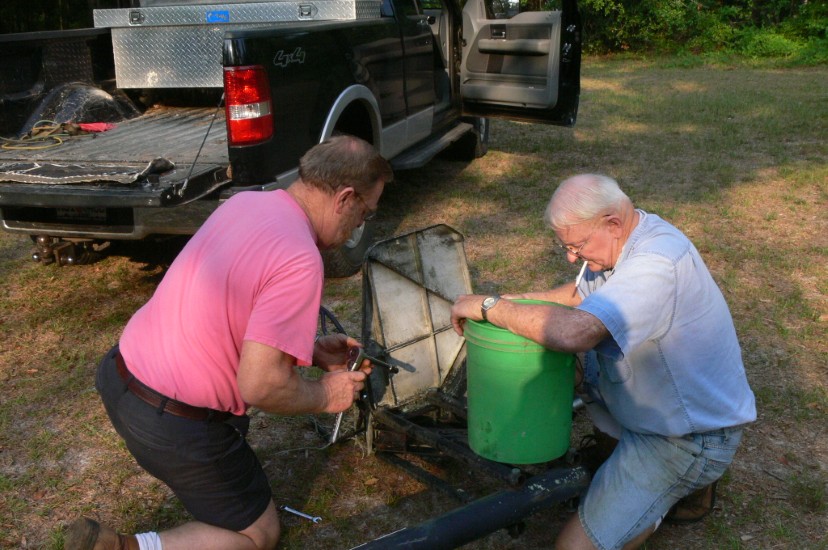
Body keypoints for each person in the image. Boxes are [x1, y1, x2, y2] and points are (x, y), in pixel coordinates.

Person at [65, 135, 393, 550]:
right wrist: (327, 395)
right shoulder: (301, 258)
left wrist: (306, 350)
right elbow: (261, 386)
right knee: (257, 536)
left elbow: (227, 305)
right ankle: (123, 547)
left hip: (118, 376)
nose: (359, 224)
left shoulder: (247, 203)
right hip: (171, 424)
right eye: (365, 212)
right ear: (345, 198)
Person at [451, 174, 756, 550]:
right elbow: (579, 296)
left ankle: (676, 485)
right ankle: (646, 484)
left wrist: (488, 307)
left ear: (612, 222)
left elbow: (575, 332)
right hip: (650, 408)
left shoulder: (656, 263)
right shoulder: (625, 236)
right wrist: (514, 301)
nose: (571, 257)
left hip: (684, 438)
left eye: (576, 246)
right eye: (566, 247)